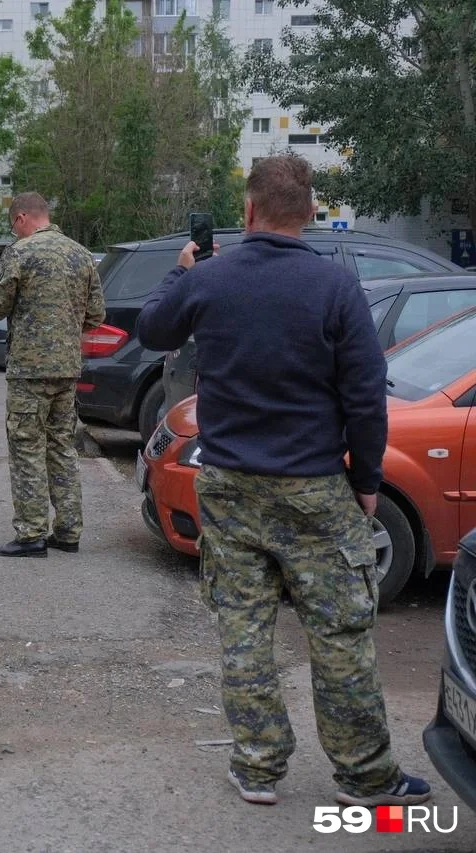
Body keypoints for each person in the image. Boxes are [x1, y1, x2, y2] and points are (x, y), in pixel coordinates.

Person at [135, 154, 431, 808]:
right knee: (340, 633)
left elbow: (152, 326)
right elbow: (365, 399)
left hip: (231, 485)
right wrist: (368, 481)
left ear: (247, 211)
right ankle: (366, 778)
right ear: (309, 213)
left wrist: (180, 270)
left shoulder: (211, 279)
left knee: (243, 630)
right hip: (313, 486)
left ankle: (260, 767)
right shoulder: (334, 287)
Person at [0, 192, 105, 558]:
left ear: (22, 217)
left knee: (26, 447)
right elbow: (97, 314)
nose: (14, 232)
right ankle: (68, 532)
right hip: (67, 370)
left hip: (29, 372)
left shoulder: (20, 253)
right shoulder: (81, 254)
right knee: (61, 446)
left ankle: (31, 534)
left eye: (13, 225)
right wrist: (68, 329)